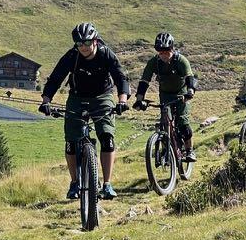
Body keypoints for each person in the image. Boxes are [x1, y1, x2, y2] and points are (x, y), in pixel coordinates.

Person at [40, 23, 129, 200]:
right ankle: (74, 183)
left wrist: (122, 101)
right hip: (77, 98)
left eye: (87, 42)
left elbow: (121, 78)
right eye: (79, 43)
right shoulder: (72, 56)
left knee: (107, 137)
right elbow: (55, 78)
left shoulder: (105, 54)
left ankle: (107, 184)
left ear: (95, 41)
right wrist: (46, 101)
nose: (83, 47)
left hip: (102, 97)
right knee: (71, 142)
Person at [133, 32, 198, 162]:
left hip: (181, 94)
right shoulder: (154, 62)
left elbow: (189, 77)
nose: (163, 54)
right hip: (165, 95)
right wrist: (139, 99)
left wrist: (190, 91)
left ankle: (189, 150)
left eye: (166, 51)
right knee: (164, 122)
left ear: (171, 49)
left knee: (183, 123)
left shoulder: (181, 60)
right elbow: (144, 81)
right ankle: (166, 150)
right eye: (160, 51)